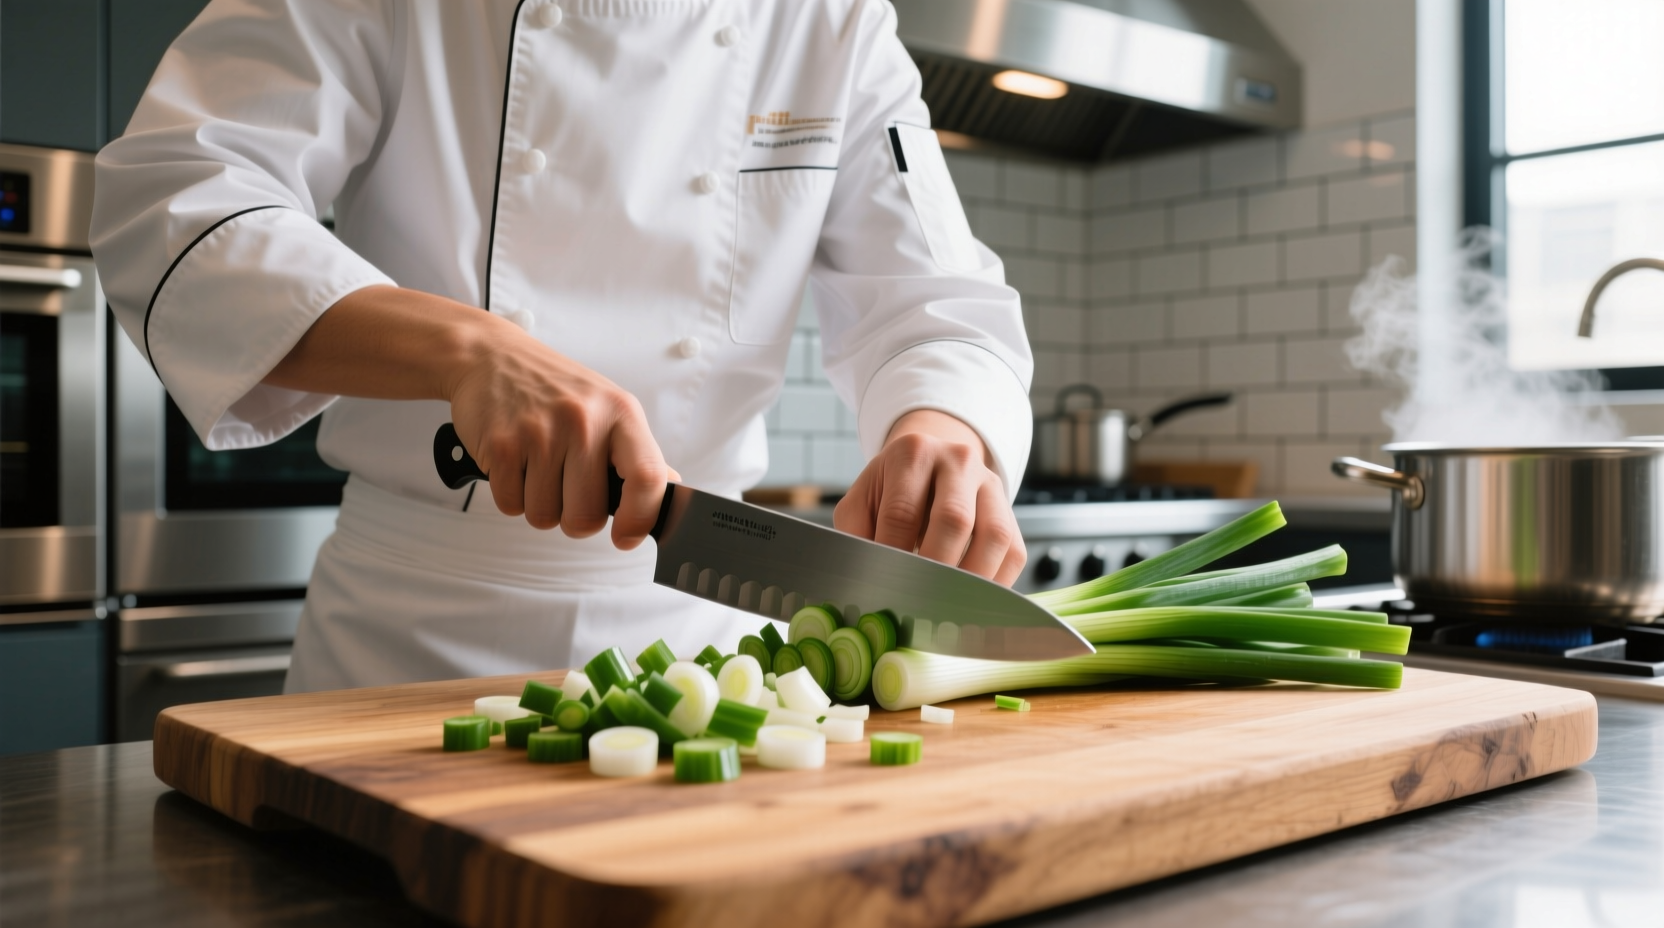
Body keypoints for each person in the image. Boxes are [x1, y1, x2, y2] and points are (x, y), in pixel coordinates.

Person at [91, 0, 1035, 693]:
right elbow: (172, 200)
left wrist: (945, 425)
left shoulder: (830, 22)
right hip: (408, 642)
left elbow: (937, 300)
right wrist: (467, 349)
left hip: (705, 654)